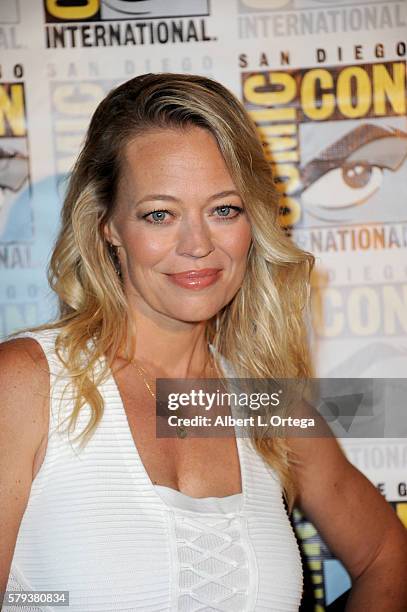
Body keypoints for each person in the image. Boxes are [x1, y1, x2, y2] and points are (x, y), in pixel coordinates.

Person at [0, 73, 406, 612]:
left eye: (223, 209)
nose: (198, 245)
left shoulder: (269, 407)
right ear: (108, 227)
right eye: (159, 214)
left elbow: (388, 557)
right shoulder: (25, 385)